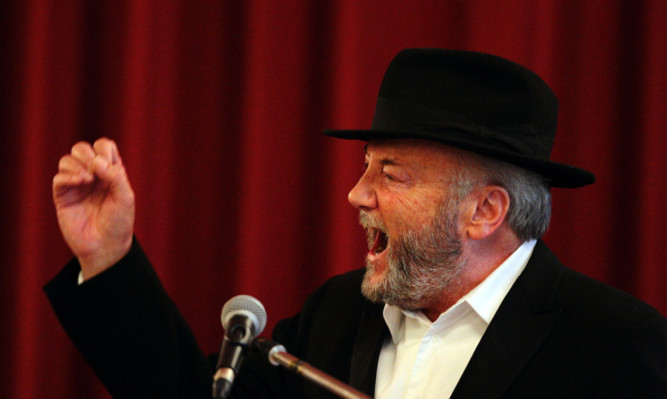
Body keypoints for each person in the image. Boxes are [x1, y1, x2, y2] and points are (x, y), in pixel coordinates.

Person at [45, 49, 666, 398]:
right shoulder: (337, 314)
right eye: (365, 166)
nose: (355, 194)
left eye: (390, 174)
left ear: (485, 212)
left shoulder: (614, 347)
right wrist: (109, 258)